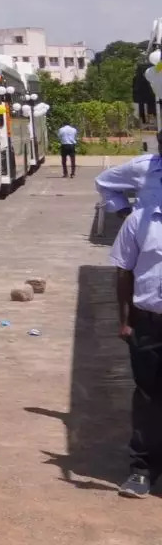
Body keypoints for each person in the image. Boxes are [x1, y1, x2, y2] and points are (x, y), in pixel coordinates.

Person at [114, 177, 162, 497]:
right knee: (148, 397)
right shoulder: (139, 220)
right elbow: (124, 271)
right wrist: (125, 321)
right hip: (149, 324)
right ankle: (142, 469)